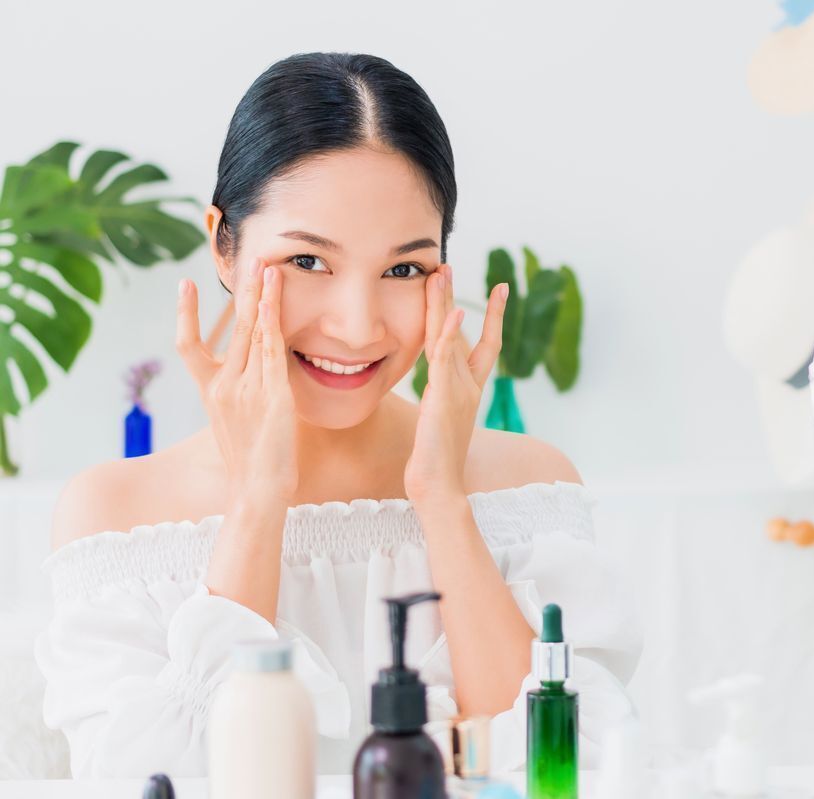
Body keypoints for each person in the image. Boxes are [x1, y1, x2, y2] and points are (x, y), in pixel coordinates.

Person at [33, 52, 640, 779]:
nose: (357, 328)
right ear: (223, 246)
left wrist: (443, 501)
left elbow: (569, 776)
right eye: (309, 262)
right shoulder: (118, 515)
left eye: (404, 269)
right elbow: (156, 781)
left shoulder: (529, 490)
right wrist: (259, 499)